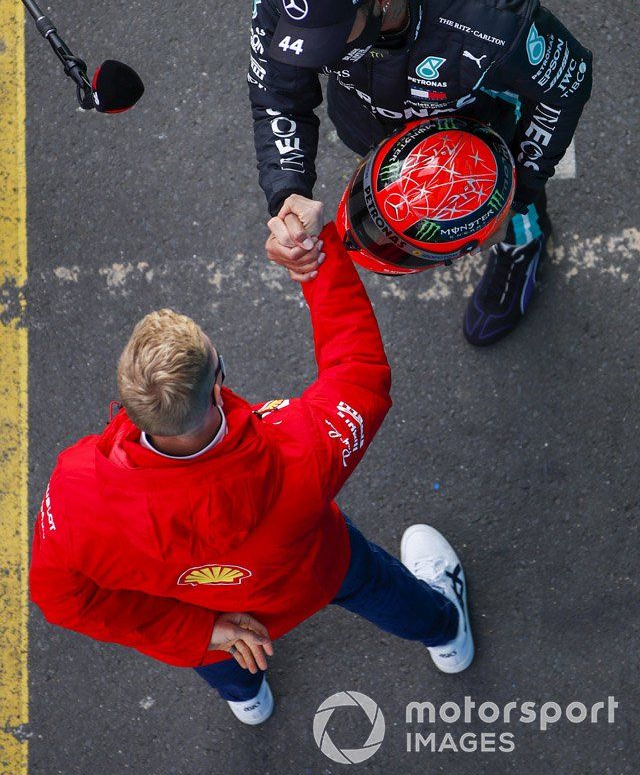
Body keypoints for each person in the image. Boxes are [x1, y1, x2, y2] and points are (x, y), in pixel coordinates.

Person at [30, 196, 473, 726]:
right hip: (316, 574)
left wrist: (199, 632)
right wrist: (318, 258)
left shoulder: (76, 490)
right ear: (216, 387)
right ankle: (447, 637)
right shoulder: (301, 449)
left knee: (224, 658)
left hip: (210, 617)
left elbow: (60, 599)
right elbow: (358, 372)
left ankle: (248, 699)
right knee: (379, 586)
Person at [248, 0, 593, 345]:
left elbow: (566, 83)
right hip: (369, 128)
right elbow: (277, 94)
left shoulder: (493, 16)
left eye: (330, 38)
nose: (316, 53)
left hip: (476, 141)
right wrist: (287, 190)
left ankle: (522, 244)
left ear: (382, 2)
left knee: (514, 212)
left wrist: (519, 189)